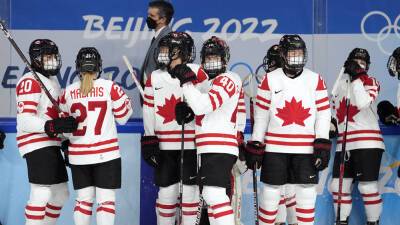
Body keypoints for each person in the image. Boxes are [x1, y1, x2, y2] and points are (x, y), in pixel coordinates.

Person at [245, 34, 331, 225]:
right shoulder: (269, 79)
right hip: (275, 148)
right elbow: (261, 117)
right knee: (270, 193)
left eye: (299, 53)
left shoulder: (316, 79)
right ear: (283, 55)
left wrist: (322, 143)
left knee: (306, 193)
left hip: (306, 149)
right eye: (292, 53)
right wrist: (257, 143)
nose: (296, 57)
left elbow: (324, 114)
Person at [170, 35, 243, 225]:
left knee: (214, 195)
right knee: (211, 200)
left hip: (220, 146)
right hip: (206, 146)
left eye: (215, 57)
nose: (212, 62)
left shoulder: (229, 78)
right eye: (208, 58)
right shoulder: (206, 83)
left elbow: (205, 105)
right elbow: (201, 111)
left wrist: (186, 82)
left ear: (225, 59)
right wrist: (188, 112)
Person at [59, 47, 132, 225]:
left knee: (83, 201)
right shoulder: (110, 87)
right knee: (105, 202)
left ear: (78, 67)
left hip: (79, 156)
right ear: (98, 66)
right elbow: (123, 118)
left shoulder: (67, 92)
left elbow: (65, 131)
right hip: (106, 155)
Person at [142, 31, 206, 225]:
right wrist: (149, 139)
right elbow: (148, 110)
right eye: (162, 49)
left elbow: (208, 103)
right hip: (164, 147)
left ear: (182, 52)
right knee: (166, 194)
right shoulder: (154, 77)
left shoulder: (199, 72)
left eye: (168, 49)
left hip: (192, 145)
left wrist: (193, 112)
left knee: (190, 194)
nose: (163, 53)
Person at [16, 39, 77, 225]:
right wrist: (52, 126)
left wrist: (65, 139)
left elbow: (56, 117)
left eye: (54, 56)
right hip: (35, 142)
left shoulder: (52, 81)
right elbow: (24, 120)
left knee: (61, 195)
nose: (53, 60)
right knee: (41, 193)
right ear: (36, 59)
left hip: (51, 143)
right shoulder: (29, 81)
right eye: (47, 56)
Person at [330, 48, 385, 225]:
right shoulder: (339, 84)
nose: (358, 65)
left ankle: (373, 222)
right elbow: (335, 110)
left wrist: (355, 79)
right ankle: (341, 221)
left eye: (362, 63)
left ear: (367, 66)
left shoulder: (370, 81)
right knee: (338, 188)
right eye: (355, 61)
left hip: (367, 142)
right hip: (344, 144)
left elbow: (361, 102)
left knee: (367, 187)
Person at [262, 44, 298, 225]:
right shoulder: (268, 83)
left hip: (289, 145)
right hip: (275, 145)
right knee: (282, 191)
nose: (270, 65)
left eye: (273, 61)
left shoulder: (293, 82)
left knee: (286, 191)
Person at [140, 0, 174, 88]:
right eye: (148, 14)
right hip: (150, 90)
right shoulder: (159, 36)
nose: (148, 18)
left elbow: (164, 69)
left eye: (152, 16)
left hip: (157, 92)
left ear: (163, 19)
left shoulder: (167, 39)